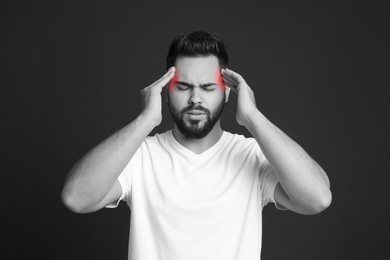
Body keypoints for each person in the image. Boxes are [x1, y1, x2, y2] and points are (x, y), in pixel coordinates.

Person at [61, 30, 331, 260]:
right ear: (166, 90)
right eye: (183, 86)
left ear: (227, 92)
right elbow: (76, 198)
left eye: (208, 87)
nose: (195, 99)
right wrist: (145, 120)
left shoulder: (250, 155)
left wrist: (252, 118)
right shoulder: (140, 156)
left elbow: (317, 199)